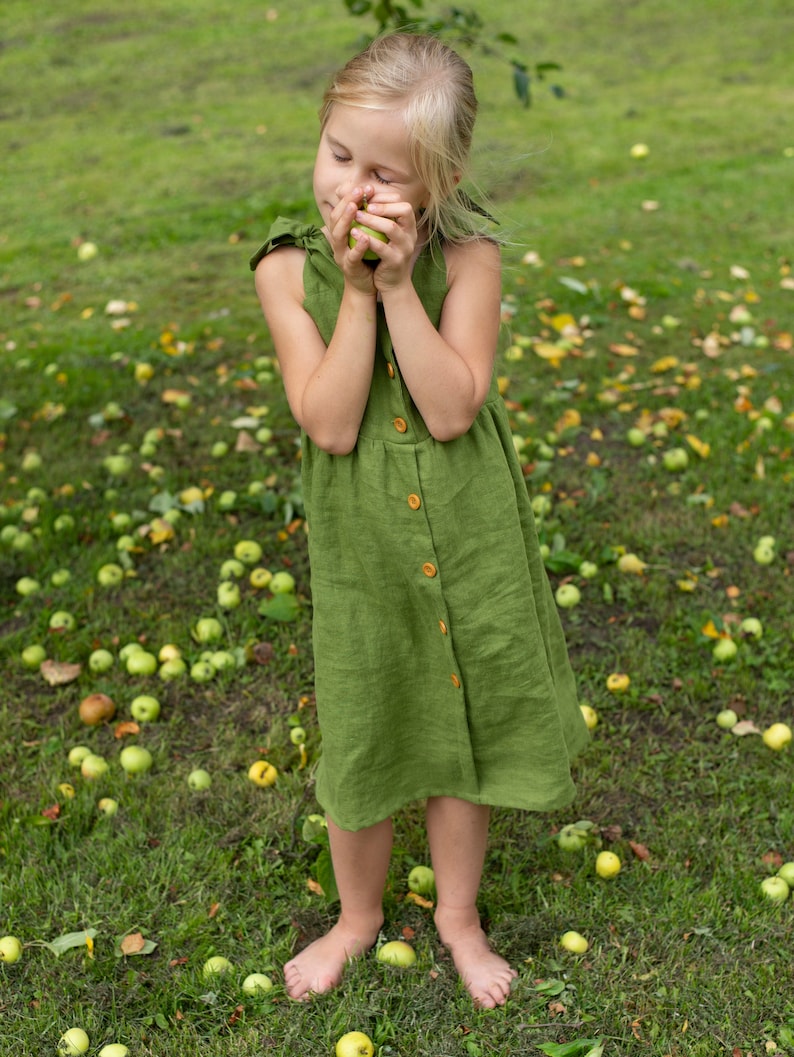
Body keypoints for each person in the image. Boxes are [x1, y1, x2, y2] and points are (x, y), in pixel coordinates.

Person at [250, 31, 589, 1009]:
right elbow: (328, 420)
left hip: (465, 527)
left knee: (461, 722)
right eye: (336, 155)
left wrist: (399, 284)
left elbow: (449, 407)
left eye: (382, 173)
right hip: (364, 544)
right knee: (365, 713)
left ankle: (456, 915)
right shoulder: (284, 273)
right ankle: (356, 917)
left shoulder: (470, 260)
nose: (348, 188)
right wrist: (357, 292)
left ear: (434, 188)